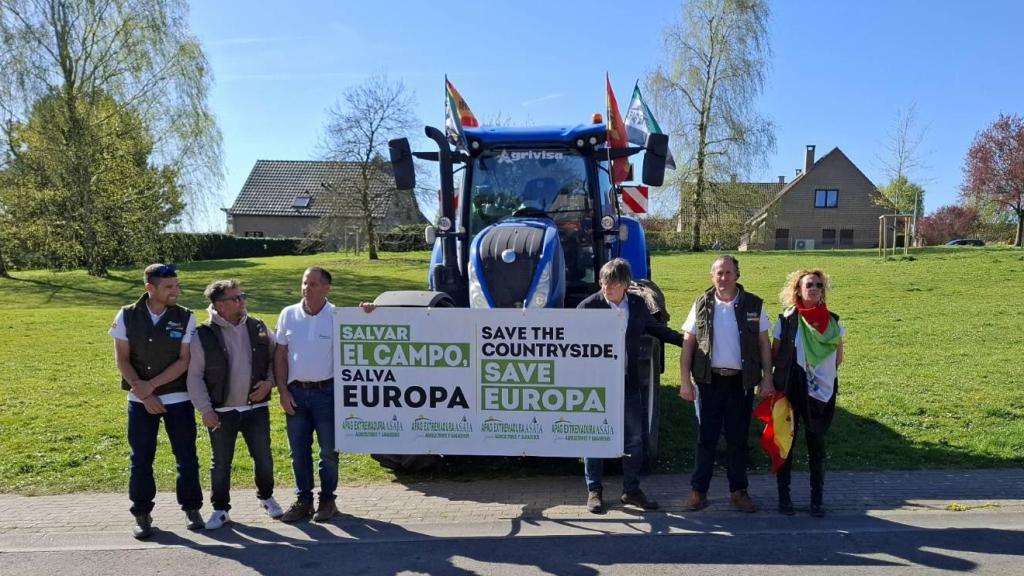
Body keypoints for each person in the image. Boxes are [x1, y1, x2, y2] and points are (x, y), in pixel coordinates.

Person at [579, 258, 683, 514]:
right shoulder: (588, 307)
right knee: (594, 437)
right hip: (597, 386)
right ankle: (595, 490)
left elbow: (657, 329)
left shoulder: (637, 305)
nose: (606, 288)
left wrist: (687, 342)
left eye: (611, 283)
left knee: (634, 439)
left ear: (625, 284)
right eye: (603, 282)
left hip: (628, 383)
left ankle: (631, 490)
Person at [110, 263, 203, 539]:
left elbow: (184, 360)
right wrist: (145, 394)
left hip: (177, 398)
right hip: (140, 401)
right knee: (140, 459)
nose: (176, 290)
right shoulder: (127, 315)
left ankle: (192, 509)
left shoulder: (186, 317)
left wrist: (150, 386)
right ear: (149, 288)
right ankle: (141, 514)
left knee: (186, 457)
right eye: (169, 287)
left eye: (176, 285)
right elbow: (122, 359)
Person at [679, 255, 773, 513]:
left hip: (741, 383)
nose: (723, 277)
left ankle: (739, 492)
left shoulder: (754, 305)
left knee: (737, 439)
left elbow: (764, 344)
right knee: (706, 439)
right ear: (712, 276)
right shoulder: (701, 303)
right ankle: (698, 492)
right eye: (719, 273)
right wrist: (684, 380)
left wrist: (767, 378)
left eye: (728, 272)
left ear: (737, 275)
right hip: (709, 382)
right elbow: (689, 343)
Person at [187, 280, 283, 529]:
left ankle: (266, 498)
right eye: (236, 298)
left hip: (256, 409)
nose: (243, 301)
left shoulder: (259, 327)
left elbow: (276, 360)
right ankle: (220, 510)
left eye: (242, 296)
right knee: (220, 463)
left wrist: (270, 382)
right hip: (221, 411)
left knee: (263, 458)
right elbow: (194, 376)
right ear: (220, 305)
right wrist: (206, 410)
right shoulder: (202, 334)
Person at [771, 269, 845, 517]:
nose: (814, 288)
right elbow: (775, 355)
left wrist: (817, 376)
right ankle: (784, 498)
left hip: (820, 392)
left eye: (818, 285)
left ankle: (817, 500)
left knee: (817, 446)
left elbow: (838, 359)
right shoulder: (786, 320)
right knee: (786, 444)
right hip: (791, 389)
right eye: (808, 285)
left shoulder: (834, 321)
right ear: (798, 290)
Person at [274, 267, 340, 522]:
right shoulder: (288, 314)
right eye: (304, 283)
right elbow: (280, 354)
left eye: (313, 284)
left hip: (328, 392)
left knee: (328, 452)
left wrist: (367, 311)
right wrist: (282, 391)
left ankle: (328, 500)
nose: (306, 288)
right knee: (298, 451)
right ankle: (303, 500)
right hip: (296, 393)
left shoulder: (337, 315)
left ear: (326, 288)